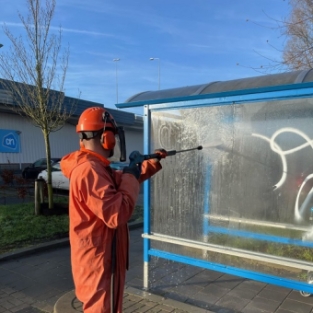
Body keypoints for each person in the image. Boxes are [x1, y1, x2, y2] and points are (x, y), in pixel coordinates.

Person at [60, 106, 166, 313]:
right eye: (113, 136)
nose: (115, 142)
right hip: (99, 263)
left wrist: (149, 164)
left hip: (102, 259)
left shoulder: (97, 167)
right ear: (105, 137)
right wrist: (130, 174)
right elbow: (117, 213)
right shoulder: (90, 171)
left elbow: (122, 181)